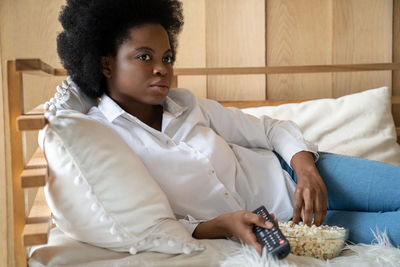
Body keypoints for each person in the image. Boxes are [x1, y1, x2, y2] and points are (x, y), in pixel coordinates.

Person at [57, 0, 400, 254]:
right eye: (144, 56)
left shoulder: (188, 105)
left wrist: (306, 168)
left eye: (167, 57)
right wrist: (218, 226)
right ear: (105, 63)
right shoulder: (103, 139)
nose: (162, 68)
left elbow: (270, 129)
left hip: (302, 174)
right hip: (285, 227)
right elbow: (149, 225)